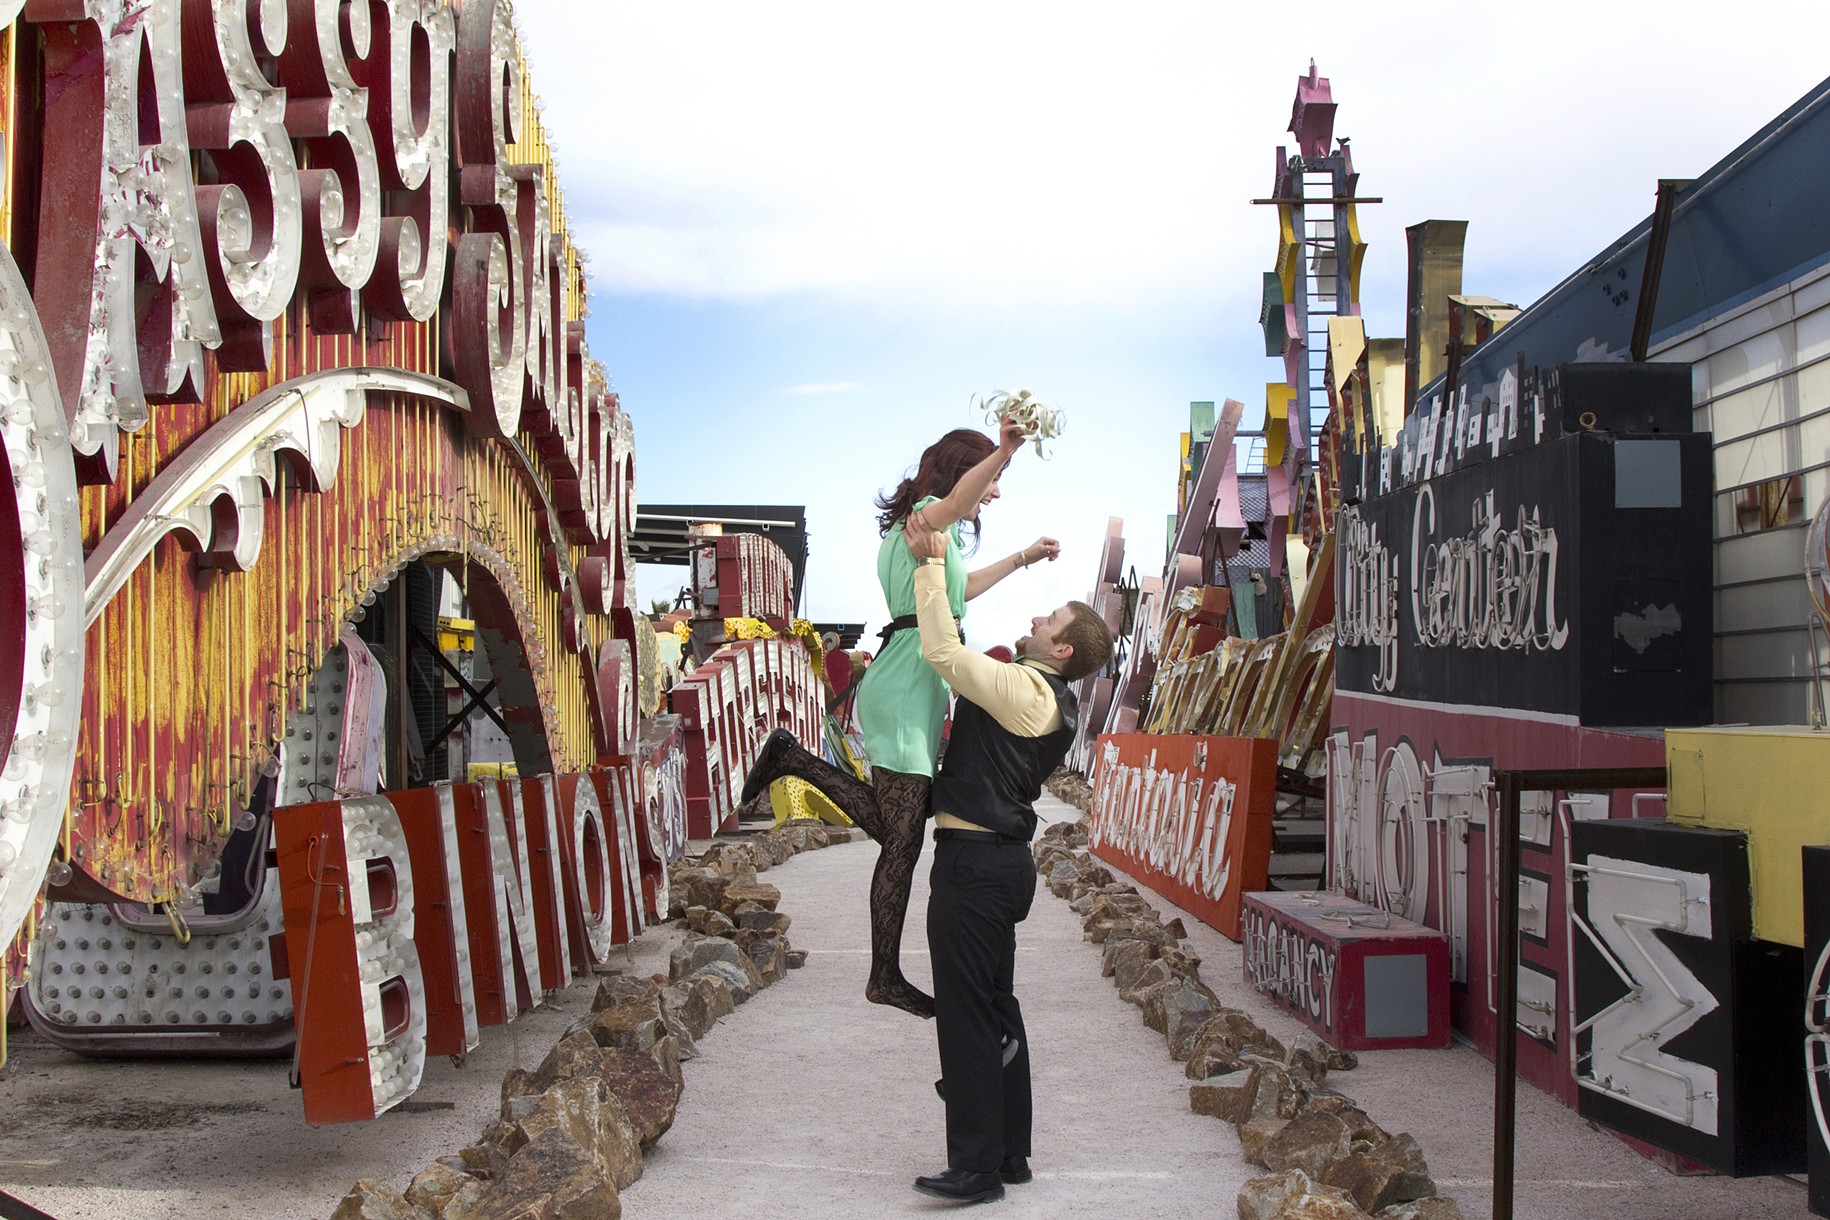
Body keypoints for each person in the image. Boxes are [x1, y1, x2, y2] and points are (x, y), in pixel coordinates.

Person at [740, 413, 1058, 1019]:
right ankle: (883, 976)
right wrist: (1006, 451)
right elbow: (959, 499)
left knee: (902, 830)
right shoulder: (928, 515)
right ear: (964, 472)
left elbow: (960, 592)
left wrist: (1022, 558)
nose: (995, 493)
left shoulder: (930, 533)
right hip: (909, 679)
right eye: (991, 480)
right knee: (902, 837)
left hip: (912, 676)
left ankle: (793, 760)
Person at [900, 509, 1113, 1204]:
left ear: (1061, 650)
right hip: (997, 865)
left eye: (1050, 621)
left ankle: (976, 1170)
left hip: (975, 867)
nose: (1037, 620)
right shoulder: (1047, 696)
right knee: (995, 1011)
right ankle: (1010, 1154)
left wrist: (929, 564)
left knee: (967, 1015)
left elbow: (943, 653)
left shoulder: (1027, 690)